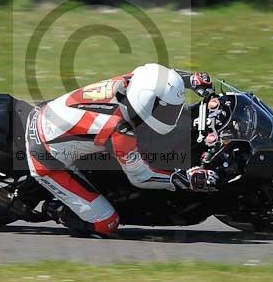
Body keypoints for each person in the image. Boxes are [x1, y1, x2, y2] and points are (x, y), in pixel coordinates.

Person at [25, 63, 219, 237]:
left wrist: (191, 80)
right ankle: (54, 208)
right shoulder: (120, 130)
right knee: (106, 223)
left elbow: (162, 80)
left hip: (51, 113)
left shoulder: (134, 82)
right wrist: (183, 178)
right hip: (46, 156)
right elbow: (141, 177)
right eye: (168, 110)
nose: (174, 114)